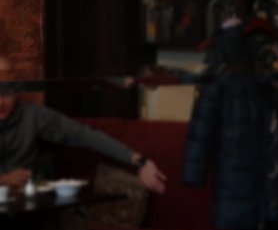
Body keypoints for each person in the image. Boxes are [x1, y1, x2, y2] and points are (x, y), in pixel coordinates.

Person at [0, 56, 166, 193]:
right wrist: (3, 180)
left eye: (6, 91)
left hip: (25, 205)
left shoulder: (32, 115)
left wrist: (141, 162)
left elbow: (85, 135)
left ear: (17, 90)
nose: (1, 102)